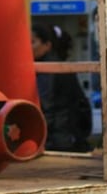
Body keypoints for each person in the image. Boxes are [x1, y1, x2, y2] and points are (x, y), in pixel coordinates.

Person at [31, 23, 93, 152]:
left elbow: (47, 107)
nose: (28, 47)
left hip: (57, 140)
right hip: (70, 136)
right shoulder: (58, 65)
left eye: (33, 42)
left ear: (47, 45)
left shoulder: (46, 70)